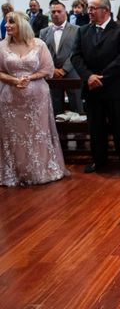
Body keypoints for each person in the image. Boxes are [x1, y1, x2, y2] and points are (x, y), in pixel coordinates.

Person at [0, 11, 68, 186]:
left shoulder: (38, 44)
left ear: (21, 25)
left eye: (11, 22)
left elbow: (48, 69)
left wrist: (29, 77)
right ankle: (15, 172)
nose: (6, 25)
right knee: (14, 135)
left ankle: (40, 170)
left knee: (38, 133)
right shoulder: (2, 46)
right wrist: (14, 80)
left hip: (37, 98)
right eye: (7, 22)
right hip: (10, 99)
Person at [71, 0, 120, 173]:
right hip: (91, 88)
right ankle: (99, 159)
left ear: (105, 10)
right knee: (96, 127)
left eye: (92, 8)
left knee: (119, 126)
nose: (88, 11)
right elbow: (76, 56)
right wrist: (89, 76)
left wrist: (101, 78)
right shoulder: (83, 31)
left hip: (114, 87)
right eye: (89, 8)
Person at [39, 1, 83, 116]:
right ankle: (58, 132)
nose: (56, 14)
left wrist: (64, 69)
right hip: (52, 74)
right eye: (53, 12)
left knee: (76, 106)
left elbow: (76, 51)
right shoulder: (44, 32)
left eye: (59, 11)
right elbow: (42, 53)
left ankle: (78, 132)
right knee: (55, 105)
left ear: (66, 13)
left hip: (72, 72)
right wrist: (52, 69)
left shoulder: (77, 29)